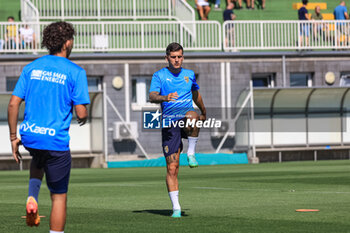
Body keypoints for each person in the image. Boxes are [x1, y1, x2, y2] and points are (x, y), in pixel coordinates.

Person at [8, 21, 90, 232]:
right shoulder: (76, 71)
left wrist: (12, 138)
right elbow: (81, 113)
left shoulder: (31, 67)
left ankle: (32, 196)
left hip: (30, 137)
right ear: (68, 42)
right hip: (55, 141)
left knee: (38, 156)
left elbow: (13, 103)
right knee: (59, 197)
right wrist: (83, 115)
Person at [149, 42, 206, 218]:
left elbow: (196, 94)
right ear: (167, 58)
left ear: (183, 57)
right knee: (172, 168)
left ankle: (191, 152)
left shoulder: (189, 75)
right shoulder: (159, 75)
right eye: (173, 57)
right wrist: (165, 97)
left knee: (192, 116)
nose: (176, 60)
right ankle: (176, 208)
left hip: (186, 117)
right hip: (169, 123)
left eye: (179, 57)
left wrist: (204, 111)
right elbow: (152, 96)